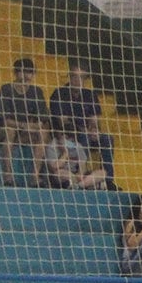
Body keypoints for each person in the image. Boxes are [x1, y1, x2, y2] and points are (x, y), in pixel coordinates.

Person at [48, 60, 116, 189]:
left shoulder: (89, 95)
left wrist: (94, 130)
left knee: (107, 139)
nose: (77, 80)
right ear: (70, 76)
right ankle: (81, 174)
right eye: (74, 76)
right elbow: (63, 122)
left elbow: (94, 119)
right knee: (83, 135)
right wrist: (84, 128)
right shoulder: (59, 93)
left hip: (85, 131)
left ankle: (108, 180)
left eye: (81, 77)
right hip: (66, 134)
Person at [0, 57, 48, 187]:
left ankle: (34, 176)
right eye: (21, 71)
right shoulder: (6, 89)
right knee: (10, 131)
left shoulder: (36, 92)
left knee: (43, 133)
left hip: (25, 132)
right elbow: (3, 120)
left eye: (29, 71)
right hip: (3, 131)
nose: (25, 75)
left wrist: (32, 126)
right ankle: (8, 176)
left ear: (33, 74)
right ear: (16, 73)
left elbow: (42, 120)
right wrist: (24, 125)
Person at [38, 120, 110, 190]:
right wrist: (65, 153)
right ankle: (85, 184)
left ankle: (79, 186)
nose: (71, 143)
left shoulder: (77, 146)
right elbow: (54, 168)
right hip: (61, 176)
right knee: (59, 173)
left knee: (102, 173)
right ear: (63, 136)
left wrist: (80, 174)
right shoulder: (52, 147)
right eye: (69, 140)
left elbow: (82, 165)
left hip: (76, 175)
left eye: (73, 140)